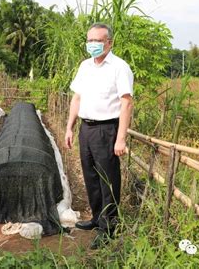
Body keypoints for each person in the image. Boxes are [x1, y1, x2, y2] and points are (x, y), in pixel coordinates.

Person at [64, 23, 134, 249]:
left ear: (109, 43)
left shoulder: (119, 67)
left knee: (108, 180)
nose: (92, 44)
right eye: (90, 40)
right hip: (86, 128)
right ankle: (96, 218)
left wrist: (120, 138)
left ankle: (109, 228)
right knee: (91, 176)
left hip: (107, 130)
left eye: (97, 40)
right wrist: (69, 127)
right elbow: (77, 98)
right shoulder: (85, 66)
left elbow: (126, 102)